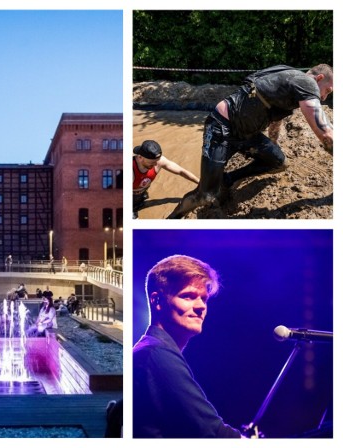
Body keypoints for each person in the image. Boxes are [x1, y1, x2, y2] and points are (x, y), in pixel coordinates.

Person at [169, 64, 334, 219]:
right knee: (205, 195)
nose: (324, 97)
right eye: (327, 90)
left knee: (279, 163)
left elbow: (276, 115)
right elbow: (326, 133)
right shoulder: (307, 83)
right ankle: (171, 221)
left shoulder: (290, 79)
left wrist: (272, 142)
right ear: (319, 78)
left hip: (248, 134)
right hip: (222, 127)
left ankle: (227, 180)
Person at [133, 254, 243, 438]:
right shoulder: (157, 355)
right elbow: (213, 433)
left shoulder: (153, 350)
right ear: (157, 301)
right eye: (188, 296)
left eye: (204, 299)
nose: (201, 306)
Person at [132, 140, 199, 218]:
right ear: (140, 157)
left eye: (157, 161)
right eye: (152, 163)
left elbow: (181, 171)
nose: (156, 165)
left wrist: (200, 182)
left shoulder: (158, 161)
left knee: (141, 199)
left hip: (141, 192)